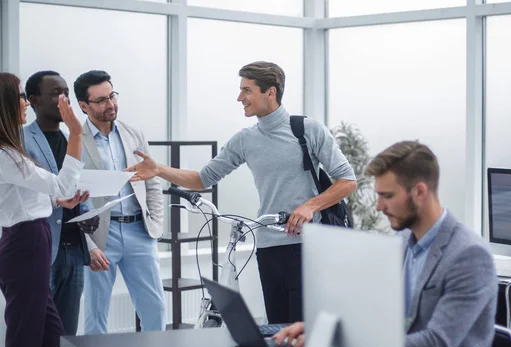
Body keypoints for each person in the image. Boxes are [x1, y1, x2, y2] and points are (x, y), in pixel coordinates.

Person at [126, 61, 356, 325]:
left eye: (246, 90)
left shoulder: (307, 130)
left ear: (270, 92)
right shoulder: (245, 140)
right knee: (277, 330)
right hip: (268, 246)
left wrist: (309, 206)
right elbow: (203, 179)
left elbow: (347, 181)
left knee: (304, 331)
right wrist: (158, 169)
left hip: (308, 247)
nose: (240, 98)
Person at [274, 141, 499, 347]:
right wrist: (324, 329)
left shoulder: (469, 255)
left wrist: (342, 343)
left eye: (388, 196)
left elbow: (437, 346)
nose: (379, 207)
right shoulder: (403, 241)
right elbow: (369, 310)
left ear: (420, 192)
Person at [72, 70, 165, 347]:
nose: (110, 104)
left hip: (139, 231)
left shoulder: (133, 132)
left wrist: (155, 223)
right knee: (96, 318)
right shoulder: (75, 141)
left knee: (154, 311)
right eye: (100, 100)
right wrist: (86, 244)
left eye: (112, 96)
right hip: (99, 238)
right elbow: (69, 198)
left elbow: (152, 180)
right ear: (84, 105)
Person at [0, 72, 84, 347]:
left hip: (29, 239)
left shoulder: (10, 150)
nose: (25, 103)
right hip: (27, 243)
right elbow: (62, 184)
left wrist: (57, 199)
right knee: (25, 345)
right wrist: (76, 131)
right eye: (20, 96)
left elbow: (29, 195)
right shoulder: (6, 154)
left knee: (53, 343)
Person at [23, 70, 100, 347]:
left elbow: (79, 190)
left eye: (66, 92)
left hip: (72, 247)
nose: (63, 99)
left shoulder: (77, 139)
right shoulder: (20, 140)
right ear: (34, 100)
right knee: (34, 334)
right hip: (38, 247)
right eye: (56, 93)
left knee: (66, 335)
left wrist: (89, 224)